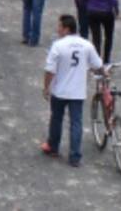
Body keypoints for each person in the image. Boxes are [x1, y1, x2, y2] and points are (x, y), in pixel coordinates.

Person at [41, 14, 103, 167]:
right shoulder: (86, 45)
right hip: (77, 91)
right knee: (76, 123)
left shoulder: (58, 45)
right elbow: (98, 65)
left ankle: (53, 147)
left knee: (56, 118)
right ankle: (75, 156)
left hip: (60, 90)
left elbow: (50, 70)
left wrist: (46, 87)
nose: (58, 29)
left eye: (60, 27)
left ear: (66, 29)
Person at [78, 0, 120, 65]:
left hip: (92, 11)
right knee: (108, 36)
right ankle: (106, 59)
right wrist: (116, 8)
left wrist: (86, 6)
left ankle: (97, 61)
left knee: (96, 37)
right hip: (106, 11)